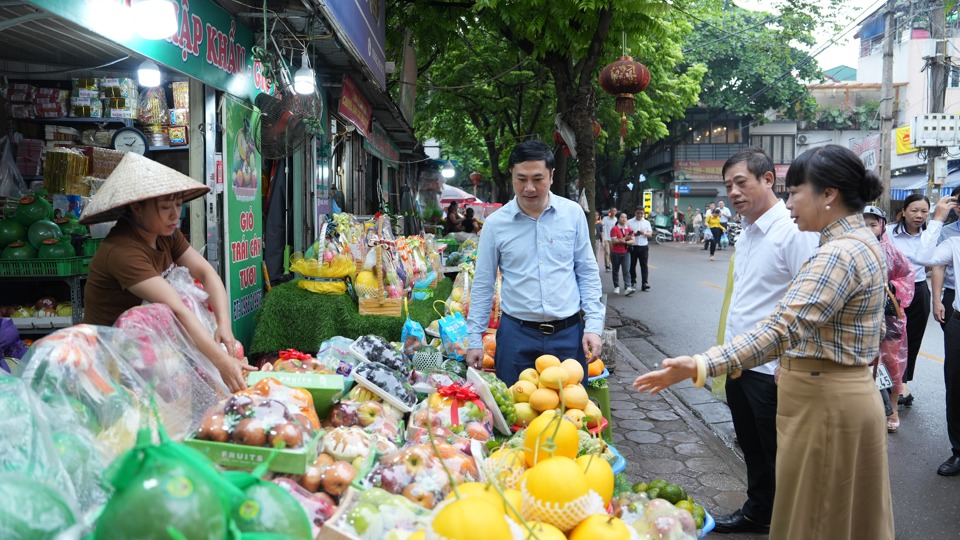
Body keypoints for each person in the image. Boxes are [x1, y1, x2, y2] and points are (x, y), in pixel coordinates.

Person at [633, 144, 893, 540]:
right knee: (835, 516)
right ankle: (759, 512)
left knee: (816, 517)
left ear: (829, 194)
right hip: (827, 390)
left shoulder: (836, 254)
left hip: (825, 399)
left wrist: (702, 364)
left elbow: (782, 328)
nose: (790, 202)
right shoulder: (854, 242)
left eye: (795, 190)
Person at [710, 148, 819, 534]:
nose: (733, 193)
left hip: (773, 369)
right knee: (752, 447)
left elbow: (808, 308)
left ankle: (791, 523)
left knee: (780, 453)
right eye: (728, 186)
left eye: (741, 182)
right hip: (741, 363)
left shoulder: (794, 232)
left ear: (768, 180)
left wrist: (791, 363)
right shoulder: (747, 232)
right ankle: (759, 512)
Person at [80, 152, 254, 392]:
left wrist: (224, 326)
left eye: (178, 204)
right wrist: (221, 362)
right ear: (136, 208)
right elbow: (177, 308)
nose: (176, 214)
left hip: (152, 355)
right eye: (165, 207)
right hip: (111, 363)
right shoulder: (123, 251)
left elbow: (206, 273)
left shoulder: (166, 235)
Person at [464, 140, 604, 385]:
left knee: (570, 415)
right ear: (512, 176)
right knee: (515, 414)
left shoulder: (572, 215)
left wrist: (593, 326)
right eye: (521, 179)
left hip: (568, 336)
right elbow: (484, 284)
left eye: (538, 178)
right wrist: (475, 338)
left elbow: (587, 273)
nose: (529, 188)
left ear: (551, 176)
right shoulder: (496, 224)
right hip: (516, 337)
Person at [913, 194, 960, 476]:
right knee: (955, 387)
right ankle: (958, 451)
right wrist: (938, 219)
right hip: (958, 321)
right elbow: (922, 257)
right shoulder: (954, 241)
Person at [863, 205, 913, 433]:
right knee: (863, 367)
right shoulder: (848, 250)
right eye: (862, 224)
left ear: (882, 225)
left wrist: (892, 286)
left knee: (891, 365)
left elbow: (907, 276)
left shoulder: (892, 252)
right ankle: (868, 413)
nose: (868, 229)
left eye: (873, 224)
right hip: (860, 322)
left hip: (890, 319)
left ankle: (892, 409)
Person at [886, 194, 932, 406]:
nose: (919, 215)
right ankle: (889, 381)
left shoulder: (930, 235)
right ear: (903, 211)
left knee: (913, 338)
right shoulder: (888, 233)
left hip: (920, 289)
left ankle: (903, 381)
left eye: (924, 211)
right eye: (914, 210)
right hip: (895, 291)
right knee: (893, 338)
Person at [931, 186, 960, 333]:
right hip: (952, 292)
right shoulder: (945, 231)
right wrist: (936, 301)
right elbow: (938, 266)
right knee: (953, 346)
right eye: (956, 202)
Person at [627, 208, 652, 292]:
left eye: (641, 213)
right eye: (638, 213)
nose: (640, 215)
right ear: (635, 213)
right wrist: (636, 234)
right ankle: (633, 281)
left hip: (643, 246)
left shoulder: (646, 222)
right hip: (633, 246)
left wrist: (644, 233)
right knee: (632, 265)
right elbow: (627, 234)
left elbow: (650, 234)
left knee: (644, 265)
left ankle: (644, 283)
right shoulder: (629, 222)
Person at [609, 212, 634, 295]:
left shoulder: (629, 229)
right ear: (618, 219)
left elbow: (633, 240)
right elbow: (614, 241)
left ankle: (628, 287)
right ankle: (616, 286)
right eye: (622, 217)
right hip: (615, 253)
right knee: (615, 270)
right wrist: (624, 239)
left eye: (625, 217)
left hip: (626, 252)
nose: (624, 219)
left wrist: (625, 242)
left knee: (626, 270)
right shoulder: (614, 229)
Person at [601, 207, 618, 272]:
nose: (613, 212)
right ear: (610, 211)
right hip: (606, 238)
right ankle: (607, 265)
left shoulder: (616, 219)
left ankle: (610, 264)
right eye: (612, 210)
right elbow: (601, 225)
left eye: (615, 211)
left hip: (613, 238)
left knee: (612, 252)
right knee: (607, 252)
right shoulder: (605, 218)